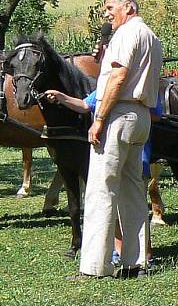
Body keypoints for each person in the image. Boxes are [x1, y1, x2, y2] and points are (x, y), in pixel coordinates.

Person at [67, 0, 163, 281]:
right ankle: (135, 262)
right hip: (141, 116)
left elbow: (118, 77)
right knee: (134, 189)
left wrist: (99, 118)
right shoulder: (152, 37)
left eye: (110, 8)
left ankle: (95, 267)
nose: (107, 13)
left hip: (119, 114)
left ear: (129, 8)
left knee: (100, 188)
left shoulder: (126, 34)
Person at [44, 87, 162, 265]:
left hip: (136, 155)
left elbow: (156, 114)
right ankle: (118, 250)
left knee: (134, 206)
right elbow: (84, 105)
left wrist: (115, 111)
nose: (94, 57)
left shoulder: (140, 87)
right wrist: (61, 97)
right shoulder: (106, 86)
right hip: (109, 153)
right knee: (111, 205)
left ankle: (144, 255)